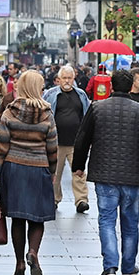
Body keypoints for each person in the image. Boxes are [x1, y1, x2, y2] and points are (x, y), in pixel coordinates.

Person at [72, 68, 139, 275]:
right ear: (131, 86)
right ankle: (129, 266)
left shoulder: (97, 108)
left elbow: (82, 139)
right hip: (133, 175)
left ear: (111, 86)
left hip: (104, 174)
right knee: (130, 223)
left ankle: (110, 265)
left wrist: (78, 165)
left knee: (106, 220)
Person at [0, 71, 59, 275]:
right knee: (37, 216)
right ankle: (33, 252)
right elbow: (52, 147)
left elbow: (1, 145)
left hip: (13, 168)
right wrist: (52, 171)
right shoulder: (47, 114)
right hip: (38, 168)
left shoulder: (10, 112)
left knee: (18, 217)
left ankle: (19, 262)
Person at [41, 66, 91, 213]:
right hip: (56, 141)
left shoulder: (81, 94)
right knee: (55, 173)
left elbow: (88, 114)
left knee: (79, 172)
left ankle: (81, 200)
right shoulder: (51, 94)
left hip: (76, 142)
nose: (67, 81)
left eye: (69, 78)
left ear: (74, 78)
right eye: (64, 78)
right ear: (59, 79)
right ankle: (54, 199)